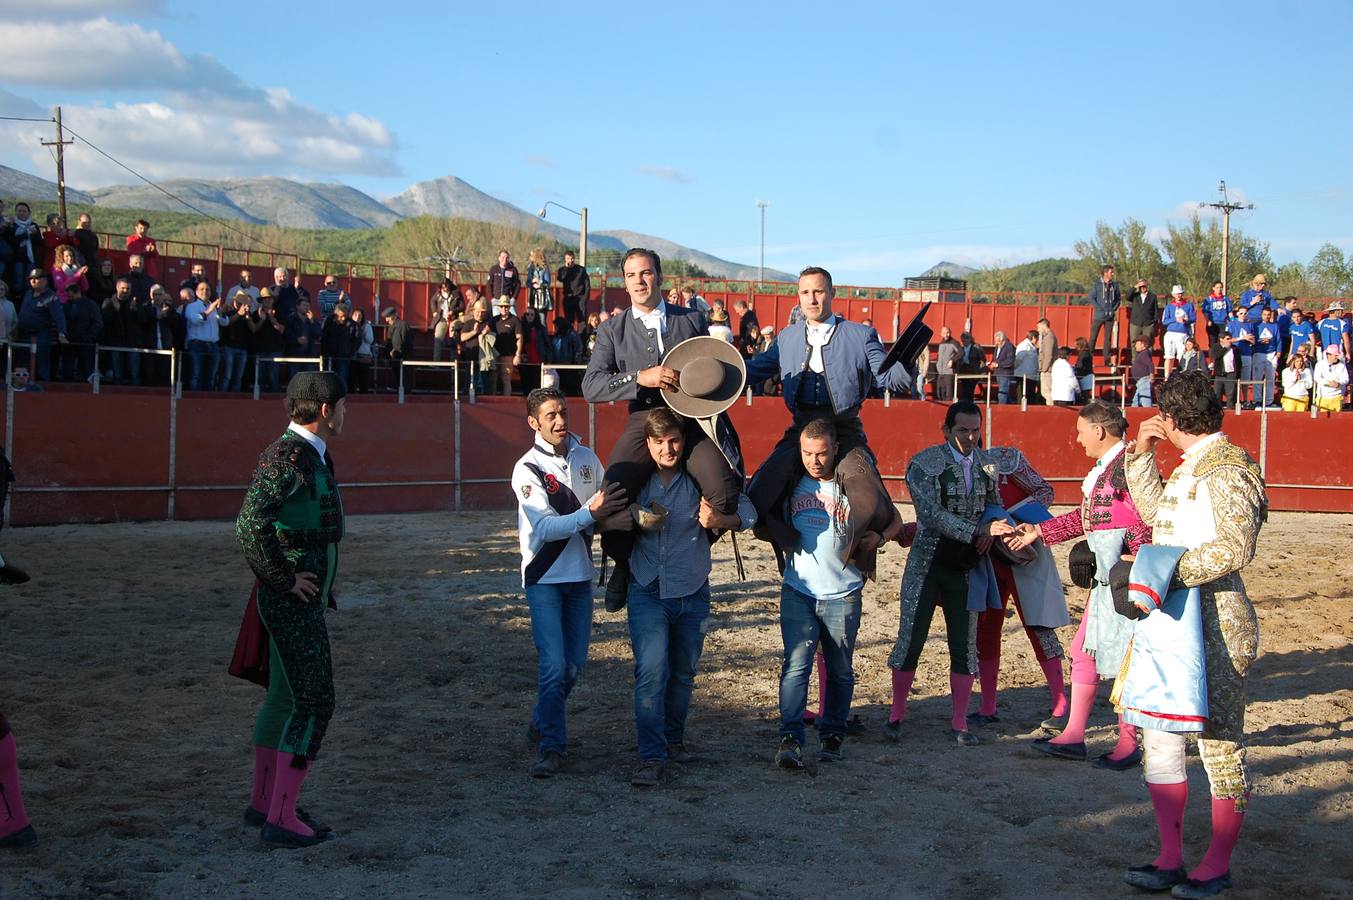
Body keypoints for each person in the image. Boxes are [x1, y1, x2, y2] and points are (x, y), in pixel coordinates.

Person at [1119, 370, 1266, 898]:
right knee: (1160, 735)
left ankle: (1217, 864)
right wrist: (1140, 454)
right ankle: (1169, 856)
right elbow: (1158, 517)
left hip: (1217, 621)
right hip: (1173, 620)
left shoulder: (1229, 470)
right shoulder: (1196, 467)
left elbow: (1234, 550)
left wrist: (1162, 572)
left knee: (1220, 745)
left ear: (1174, 419)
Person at [581, 248, 743, 612]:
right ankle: (624, 563)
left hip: (691, 419)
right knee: (614, 492)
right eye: (632, 275)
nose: (639, 281)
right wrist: (641, 377)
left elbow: (714, 370)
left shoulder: (692, 320)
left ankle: (692, 549)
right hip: (644, 419)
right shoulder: (611, 329)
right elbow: (591, 386)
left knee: (722, 487)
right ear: (625, 281)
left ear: (659, 276)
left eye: (646, 273)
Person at [230, 371, 348, 849]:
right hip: (291, 599)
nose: (345, 413)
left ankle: (264, 804)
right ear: (325, 410)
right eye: (342, 405)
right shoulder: (290, 456)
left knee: (283, 698)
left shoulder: (301, 453)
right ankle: (281, 816)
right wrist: (284, 578)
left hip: (298, 595)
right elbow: (248, 523)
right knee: (314, 701)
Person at [1010, 399, 1151, 767]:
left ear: (1099, 430)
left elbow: (1145, 517)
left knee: (1124, 658)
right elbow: (1087, 518)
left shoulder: (1130, 466)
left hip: (1123, 578)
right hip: (1107, 580)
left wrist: (1135, 562)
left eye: (1080, 431)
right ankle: (1074, 733)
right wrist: (1039, 531)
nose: (1077, 439)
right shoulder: (1111, 468)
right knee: (1084, 650)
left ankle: (1129, 742)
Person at [743, 266, 910, 574]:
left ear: (832, 294)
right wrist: (719, 369)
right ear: (798, 297)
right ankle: (791, 543)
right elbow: (755, 369)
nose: (812, 299)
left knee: (870, 499)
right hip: (801, 429)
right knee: (757, 493)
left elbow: (886, 373)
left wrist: (902, 370)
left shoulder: (861, 335)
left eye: (818, 291)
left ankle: (848, 558)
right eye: (805, 292)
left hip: (844, 430)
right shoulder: (788, 336)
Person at [624, 407, 756, 786]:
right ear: (648, 444)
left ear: (683, 441)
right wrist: (632, 515)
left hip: (693, 588)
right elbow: (605, 512)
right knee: (651, 673)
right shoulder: (638, 481)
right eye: (660, 443)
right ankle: (651, 756)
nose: (668, 449)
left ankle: (674, 741)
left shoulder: (702, 479)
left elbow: (747, 511)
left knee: (682, 674)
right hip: (648, 588)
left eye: (674, 441)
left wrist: (720, 521)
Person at [884, 402, 1015, 747]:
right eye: (962, 431)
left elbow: (994, 504)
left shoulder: (987, 463)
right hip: (928, 560)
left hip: (967, 564)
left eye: (975, 430)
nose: (970, 437)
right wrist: (979, 530)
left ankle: (959, 721)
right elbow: (932, 514)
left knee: (964, 641)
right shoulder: (924, 464)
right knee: (911, 636)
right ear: (946, 431)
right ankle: (896, 714)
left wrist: (993, 526)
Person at [512, 387, 624, 778]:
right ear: (534, 423)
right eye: (550, 416)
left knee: (573, 666)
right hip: (543, 578)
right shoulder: (526, 469)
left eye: (563, 412)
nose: (560, 421)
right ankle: (552, 747)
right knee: (555, 665)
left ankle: (543, 720)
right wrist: (590, 513)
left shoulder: (588, 458)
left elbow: (607, 507)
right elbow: (544, 527)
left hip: (580, 577)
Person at [775, 419, 899, 769]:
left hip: (843, 592)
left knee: (841, 669)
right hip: (798, 589)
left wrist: (881, 539)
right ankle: (791, 737)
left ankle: (832, 734)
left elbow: (895, 520)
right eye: (807, 453)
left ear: (835, 451)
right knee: (796, 666)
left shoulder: (853, 485)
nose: (814, 460)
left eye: (821, 453)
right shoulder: (790, 483)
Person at [967, 445, 1069, 729]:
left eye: (972, 430)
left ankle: (1060, 704)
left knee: (1038, 624)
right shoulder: (950, 468)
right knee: (986, 626)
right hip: (987, 555)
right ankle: (988, 704)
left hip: (1022, 547)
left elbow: (1045, 492)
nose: (968, 436)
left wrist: (1011, 519)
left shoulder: (1005, 460)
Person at [16, 269, 68, 382]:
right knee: (23, 363)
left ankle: (43, 387)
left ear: (44, 280)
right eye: (31, 279)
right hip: (24, 334)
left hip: (41, 335)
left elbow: (59, 317)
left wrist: (62, 333)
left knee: (42, 363)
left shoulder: (51, 297)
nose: (33, 281)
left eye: (36, 279)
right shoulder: (28, 293)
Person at [183, 281, 223, 391]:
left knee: (211, 377)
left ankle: (208, 401)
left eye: (207, 289)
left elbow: (224, 322)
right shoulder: (192, 307)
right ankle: (193, 401)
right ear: (196, 292)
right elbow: (196, 320)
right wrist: (210, 310)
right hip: (197, 345)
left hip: (213, 345)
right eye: (202, 289)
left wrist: (220, 311)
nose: (205, 291)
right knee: (196, 375)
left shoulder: (215, 307)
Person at [248, 289, 288, 393]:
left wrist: (272, 319)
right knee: (259, 378)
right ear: (261, 301)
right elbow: (253, 330)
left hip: (275, 350)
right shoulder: (255, 314)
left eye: (269, 299)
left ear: (273, 300)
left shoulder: (279, 313)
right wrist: (262, 319)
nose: (267, 301)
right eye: (265, 299)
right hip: (259, 350)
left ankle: (274, 401)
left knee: (273, 378)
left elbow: (282, 330)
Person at [218, 291, 254, 392]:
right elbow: (226, 323)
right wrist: (239, 314)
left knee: (238, 377)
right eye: (239, 303)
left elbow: (253, 329)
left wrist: (248, 318)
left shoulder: (248, 315)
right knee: (227, 375)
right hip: (228, 346)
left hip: (242, 348)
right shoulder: (227, 312)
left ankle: (235, 396)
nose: (242, 306)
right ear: (234, 302)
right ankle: (223, 395)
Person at [1087, 264, 1121, 369]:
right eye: (1111, 272)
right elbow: (1091, 297)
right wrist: (1098, 308)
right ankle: (1088, 359)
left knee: (1108, 339)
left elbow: (1118, 299)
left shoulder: (1114, 285)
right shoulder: (1097, 285)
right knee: (1093, 338)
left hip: (1110, 316)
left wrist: (1113, 309)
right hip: (1098, 316)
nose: (1113, 274)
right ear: (1105, 273)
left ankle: (1107, 359)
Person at [491, 296, 524, 396]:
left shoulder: (515, 320)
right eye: (501, 306)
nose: (503, 309)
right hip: (495, 354)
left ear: (509, 308)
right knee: (493, 379)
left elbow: (519, 338)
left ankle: (507, 401)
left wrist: (517, 355)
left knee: (506, 379)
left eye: (506, 307)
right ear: (499, 307)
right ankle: (492, 401)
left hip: (508, 355)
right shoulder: (494, 320)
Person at [1161, 285, 1195, 380]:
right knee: (1169, 356)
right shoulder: (1169, 307)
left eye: (1180, 293)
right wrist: (1175, 319)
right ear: (1173, 295)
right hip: (1170, 333)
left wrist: (1185, 320)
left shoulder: (1188, 305)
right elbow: (1164, 321)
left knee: (1181, 356)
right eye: (1177, 293)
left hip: (1183, 334)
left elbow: (1193, 318)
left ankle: (1182, 376)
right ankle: (1167, 377)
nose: (1179, 295)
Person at [543, 316, 582, 394]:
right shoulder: (557, 336)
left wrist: (576, 363)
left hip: (569, 367)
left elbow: (578, 349)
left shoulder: (571, 334)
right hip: (558, 366)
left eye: (556, 326)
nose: (555, 328)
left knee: (570, 389)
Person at [1251, 308, 1282, 408]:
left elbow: (1278, 339)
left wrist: (1278, 352)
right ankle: (1257, 400)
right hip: (1259, 353)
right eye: (1265, 314)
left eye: (1268, 314)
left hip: (1271, 354)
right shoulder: (1256, 326)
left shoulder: (1274, 326)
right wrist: (1260, 341)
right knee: (1257, 378)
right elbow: (1252, 339)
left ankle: (1269, 401)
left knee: (1270, 378)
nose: (1267, 316)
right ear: (1261, 315)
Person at [319, 303, 355, 386]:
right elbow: (323, 337)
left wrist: (350, 351)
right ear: (336, 314)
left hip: (344, 356)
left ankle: (341, 397)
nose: (343, 318)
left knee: (342, 379)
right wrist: (323, 353)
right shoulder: (328, 321)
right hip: (328, 355)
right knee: (327, 379)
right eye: (341, 316)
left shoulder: (350, 324)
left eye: (345, 316)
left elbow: (356, 340)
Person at [429, 279, 462, 362]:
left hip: (453, 319)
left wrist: (453, 311)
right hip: (441, 319)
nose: (444, 289)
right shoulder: (439, 293)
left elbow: (462, 306)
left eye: (446, 287)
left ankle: (453, 363)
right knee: (438, 338)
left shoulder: (456, 293)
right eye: (443, 287)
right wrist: (434, 311)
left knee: (453, 340)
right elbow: (432, 301)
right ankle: (436, 362)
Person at [556, 251, 589, 326]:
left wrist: (585, 297)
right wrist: (566, 269)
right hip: (568, 298)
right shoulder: (562, 270)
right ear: (565, 259)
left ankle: (581, 337)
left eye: (572, 258)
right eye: (568, 258)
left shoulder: (581, 270)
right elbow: (561, 279)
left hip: (580, 298)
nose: (570, 260)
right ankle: (570, 336)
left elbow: (587, 283)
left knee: (582, 320)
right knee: (568, 321)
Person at [1313, 344, 1348, 414]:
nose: (1336, 357)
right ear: (1328, 355)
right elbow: (1317, 378)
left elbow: (1345, 379)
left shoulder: (1342, 365)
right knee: (1323, 419)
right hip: (1322, 397)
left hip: (1337, 397)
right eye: (1335, 355)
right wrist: (1328, 383)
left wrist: (1339, 383)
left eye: (1337, 355)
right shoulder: (1320, 364)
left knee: (1336, 420)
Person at [382, 307, 411, 390]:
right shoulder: (391, 327)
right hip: (394, 359)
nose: (387, 320)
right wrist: (387, 356)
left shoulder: (403, 325)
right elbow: (389, 344)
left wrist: (398, 351)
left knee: (404, 383)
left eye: (388, 317)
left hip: (403, 359)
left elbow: (407, 342)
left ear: (394, 316)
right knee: (397, 380)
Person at [1128, 279, 1159, 352]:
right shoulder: (1135, 296)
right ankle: (1135, 362)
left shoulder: (1152, 296)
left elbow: (1155, 310)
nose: (1142, 288)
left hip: (1148, 324)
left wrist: (1154, 321)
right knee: (1134, 343)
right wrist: (1135, 287)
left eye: (1144, 286)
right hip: (1135, 323)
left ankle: (1146, 361)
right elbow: (1127, 296)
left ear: (1147, 286)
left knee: (1148, 343)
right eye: (1141, 286)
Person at [348, 306, 374, 394]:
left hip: (363, 355)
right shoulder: (349, 326)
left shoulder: (366, 326)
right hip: (351, 355)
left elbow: (370, 340)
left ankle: (364, 398)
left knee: (363, 380)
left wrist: (361, 331)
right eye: (355, 314)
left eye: (360, 315)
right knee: (351, 379)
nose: (357, 317)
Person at [1211, 332, 1239, 408]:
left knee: (1230, 394)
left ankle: (1230, 409)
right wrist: (1225, 348)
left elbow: (1238, 362)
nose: (1229, 340)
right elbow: (1215, 356)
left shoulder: (1234, 348)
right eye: (1227, 339)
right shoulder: (1216, 347)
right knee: (1217, 393)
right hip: (1220, 374)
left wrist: (1237, 373)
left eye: (1230, 339)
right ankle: (1217, 410)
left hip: (1231, 374)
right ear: (1221, 339)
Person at [955, 331, 985, 401]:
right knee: (964, 390)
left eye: (965, 339)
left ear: (969, 339)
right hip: (963, 370)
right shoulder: (961, 348)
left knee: (970, 390)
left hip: (973, 371)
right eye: (962, 340)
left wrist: (980, 370)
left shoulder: (976, 347)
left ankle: (970, 404)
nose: (963, 341)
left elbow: (983, 359)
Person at [1202, 282, 1231, 351]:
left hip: (1223, 323)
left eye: (1221, 287)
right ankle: (1213, 359)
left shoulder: (1225, 299)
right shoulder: (1209, 299)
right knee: (1213, 342)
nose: (1219, 289)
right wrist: (1208, 320)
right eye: (1217, 287)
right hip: (1213, 323)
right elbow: (1205, 312)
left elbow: (1229, 311)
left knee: (1222, 341)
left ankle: (1221, 359)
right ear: (1213, 288)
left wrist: (1232, 320)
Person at [934, 326, 961, 401]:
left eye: (948, 333)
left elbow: (961, 353)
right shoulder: (941, 343)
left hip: (949, 372)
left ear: (950, 333)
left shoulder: (954, 343)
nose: (946, 335)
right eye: (944, 333)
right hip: (940, 372)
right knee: (940, 392)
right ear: (941, 334)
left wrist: (952, 360)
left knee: (948, 393)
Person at [1013, 329, 1040, 403]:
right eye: (1037, 339)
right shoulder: (1024, 345)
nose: (1038, 341)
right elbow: (1018, 359)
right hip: (1023, 375)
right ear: (1034, 337)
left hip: (1031, 376)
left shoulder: (1032, 346)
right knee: (1022, 395)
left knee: (1030, 396)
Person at [988, 330, 1015, 403]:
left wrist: (998, 365)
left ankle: (1001, 408)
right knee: (1004, 392)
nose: (996, 343)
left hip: (1005, 373)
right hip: (998, 372)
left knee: (1002, 392)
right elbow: (995, 358)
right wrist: (992, 364)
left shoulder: (1009, 347)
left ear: (1002, 340)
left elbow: (1010, 361)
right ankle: (1010, 405)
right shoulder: (998, 347)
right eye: (996, 341)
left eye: (998, 341)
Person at [1035, 318, 1058, 400]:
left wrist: (1044, 369)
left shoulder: (1049, 337)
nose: (1038, 330)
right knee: (1046, 392)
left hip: (1047, 370)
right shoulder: (1048, 336)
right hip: (1047, 369)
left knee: (1046, 392)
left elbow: (1048, 355)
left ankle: (1052, 409)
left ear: (1044, 325)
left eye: (1039, 327)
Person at [526, 249, 552, 314]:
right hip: (532, 295)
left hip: (542, 297)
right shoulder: (531, 268)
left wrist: (540, 283)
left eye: (532, 256)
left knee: (541, 318)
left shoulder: (544, 268)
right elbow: (528, 283)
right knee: (532, 316)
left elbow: (547, 283)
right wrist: (532, 281)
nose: (530, 257)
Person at [1130, 337, 1154, 406]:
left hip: (1144, 380)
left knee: (1145, 398)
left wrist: (1152, 374)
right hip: (1140, 381)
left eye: (1137, 344)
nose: (1135, 346)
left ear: (1143, 345)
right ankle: (1133, 412)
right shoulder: (1142, 354)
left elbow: (1150, 364)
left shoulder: (1145, 353)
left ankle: (1148, 412)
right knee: (1136, 400)